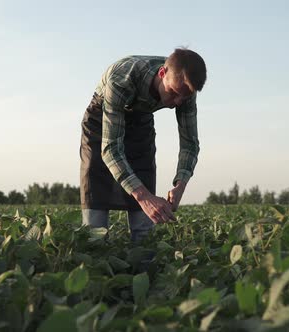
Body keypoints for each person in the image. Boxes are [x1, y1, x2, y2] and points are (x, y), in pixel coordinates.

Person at [79, 48, 207, 242]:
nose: (178, 102)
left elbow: (190, 143)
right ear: (162, 74)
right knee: (95, 220)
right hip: (102, 123)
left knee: (144, 226)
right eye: (173, 93)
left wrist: (180, 184)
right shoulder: (122, 79)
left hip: (140, 122)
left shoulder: (185, 87)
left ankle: (144, 266)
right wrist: (144, 197)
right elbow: (111, 149)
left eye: (185, 96)